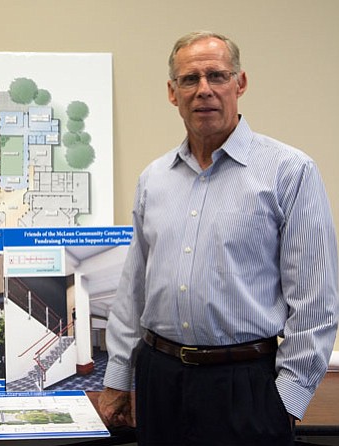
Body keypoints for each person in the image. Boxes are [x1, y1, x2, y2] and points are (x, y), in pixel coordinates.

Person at [98, 31, 338, 446]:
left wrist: (287, 400)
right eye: (189, 80)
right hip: (160, 381)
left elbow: (316, 303)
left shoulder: (289, 171)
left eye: (217, 76)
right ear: (173, 93)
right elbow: (132, 292)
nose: (203, 90)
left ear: (239, 84)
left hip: (245, 387)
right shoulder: (154, 179)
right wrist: (119, 376)